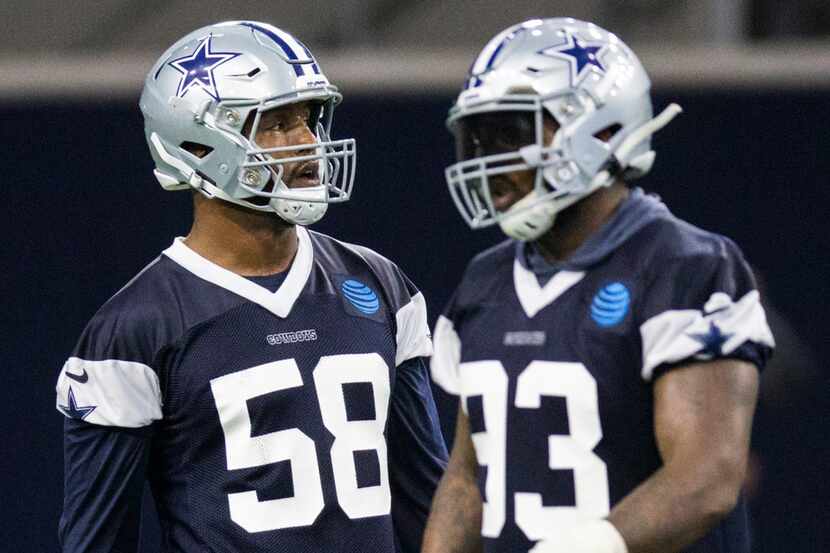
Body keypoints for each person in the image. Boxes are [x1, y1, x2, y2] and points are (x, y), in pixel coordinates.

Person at [55, 21, 447, 553]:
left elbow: (428, 505)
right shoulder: (137, 328)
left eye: (309, 118)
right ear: (198, 143)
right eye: (277, 123)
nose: (308, 142)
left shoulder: (380, 283)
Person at [424, 18, 774, 553]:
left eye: (511, 133)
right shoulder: (485, 282)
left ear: (602, 129)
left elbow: (707, 479)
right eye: (479, 137)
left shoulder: (685, 267)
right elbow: (468, 480)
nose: (489, 159)